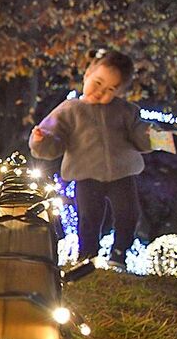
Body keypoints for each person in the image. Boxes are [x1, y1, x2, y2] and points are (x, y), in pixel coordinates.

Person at [30, 50, 153, 269]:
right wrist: (41, 140)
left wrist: (153, 136)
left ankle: (118, 255)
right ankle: (87, 257)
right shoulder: (70, 110)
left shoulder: (125, 111)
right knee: (89, 217)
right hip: (85, 173)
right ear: (87, 75)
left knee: (128, 214)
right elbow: (54, 141)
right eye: (97, 83)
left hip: (122, 172)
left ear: (119, 92)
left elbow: (140, 136)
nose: (100, 92)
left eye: (110, 90)